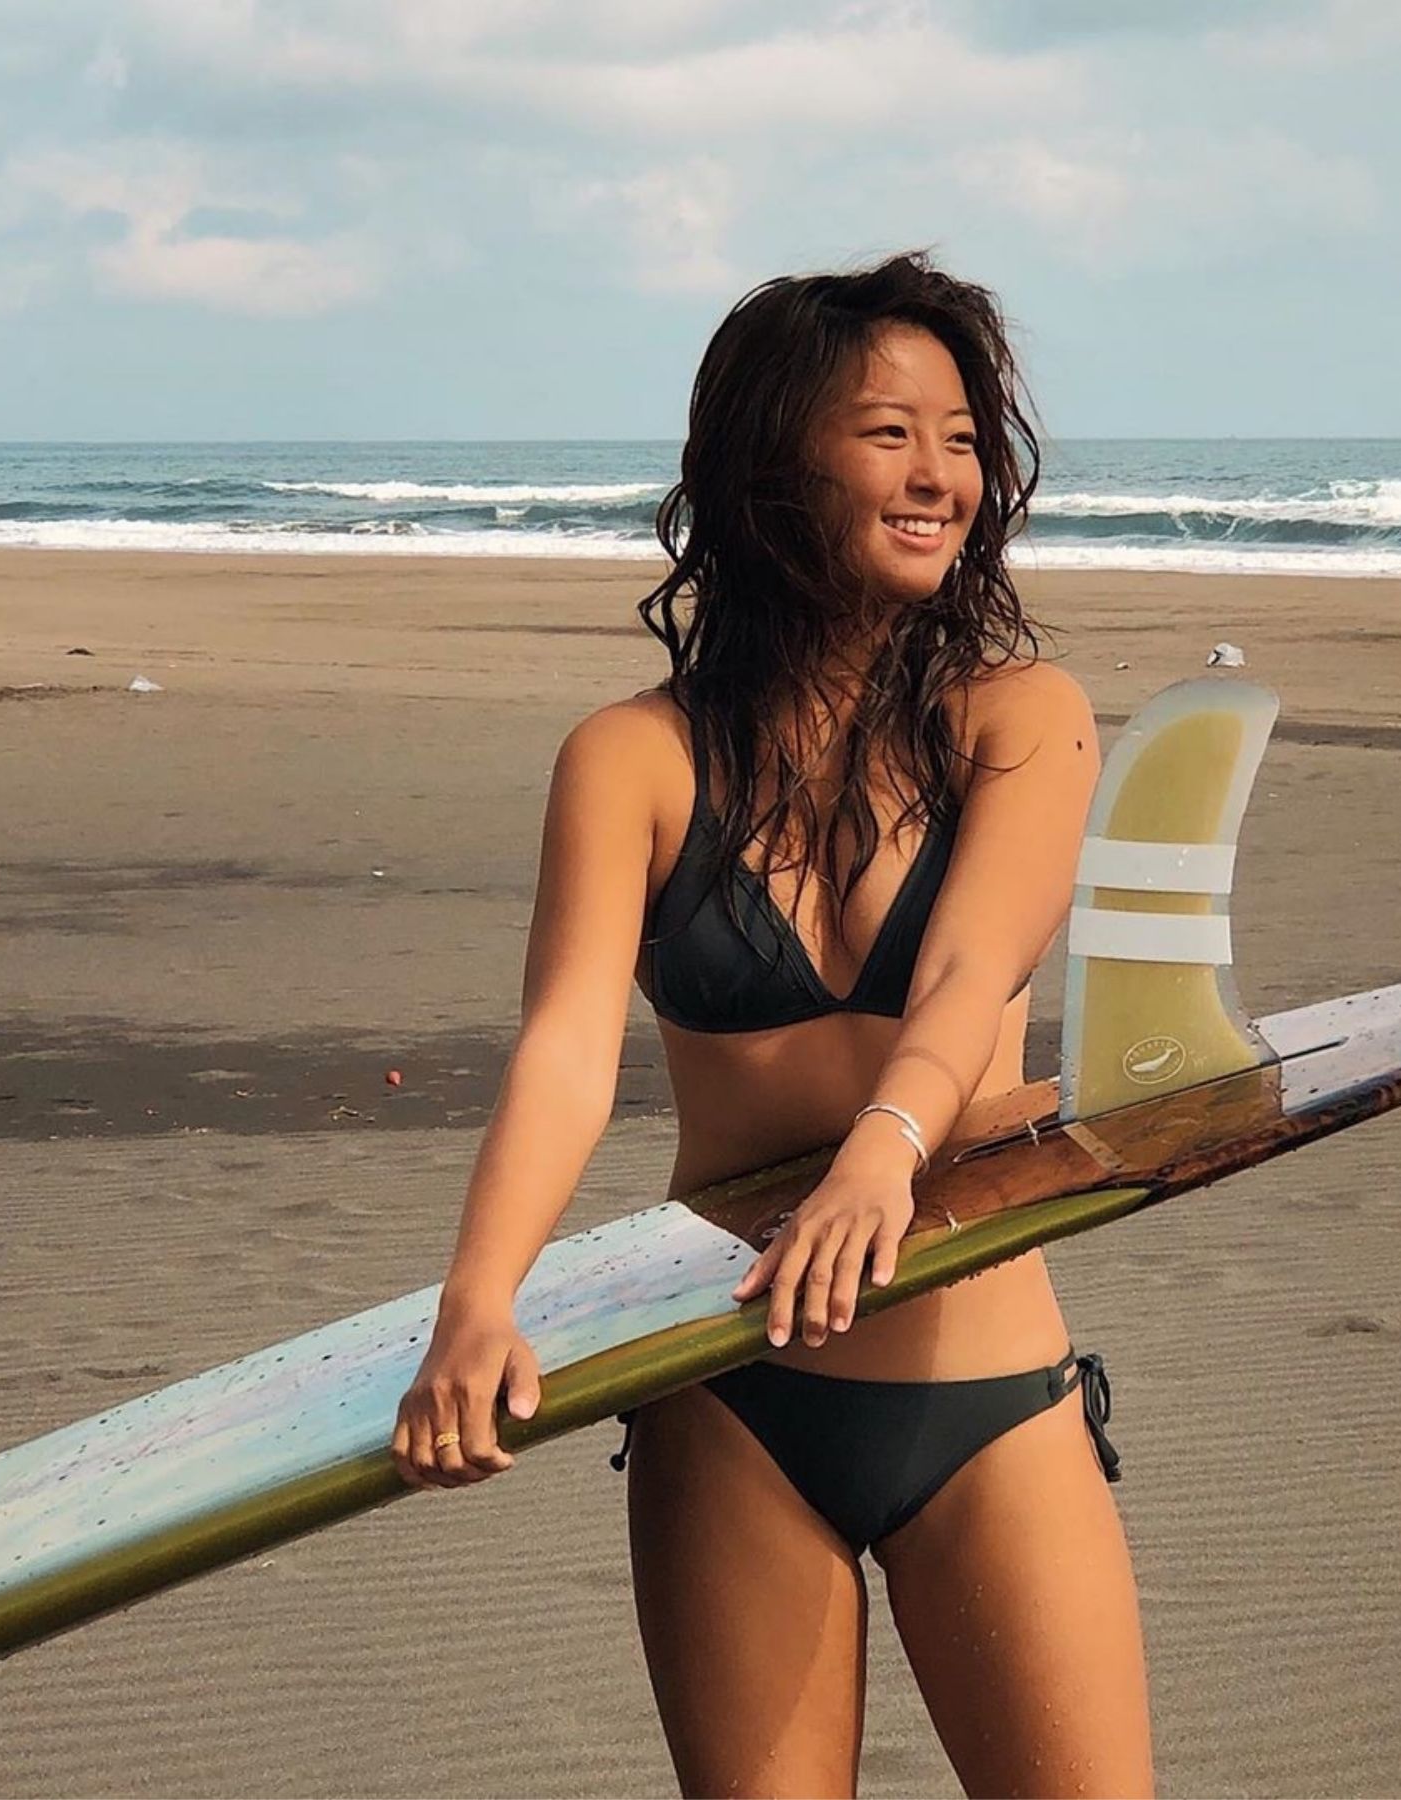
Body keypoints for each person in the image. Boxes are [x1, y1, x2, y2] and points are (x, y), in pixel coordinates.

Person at [388, 252, 1151, 1796]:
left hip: (987, 1397)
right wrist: (476, 1300)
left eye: (960, 434)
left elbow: (969, 978)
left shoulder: (1022, 718)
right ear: (772, 463)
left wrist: (885, 1151)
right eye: (889, 432)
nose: (940, 472)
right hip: (731, 1401)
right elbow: (562, 1053)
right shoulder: (633, 760)